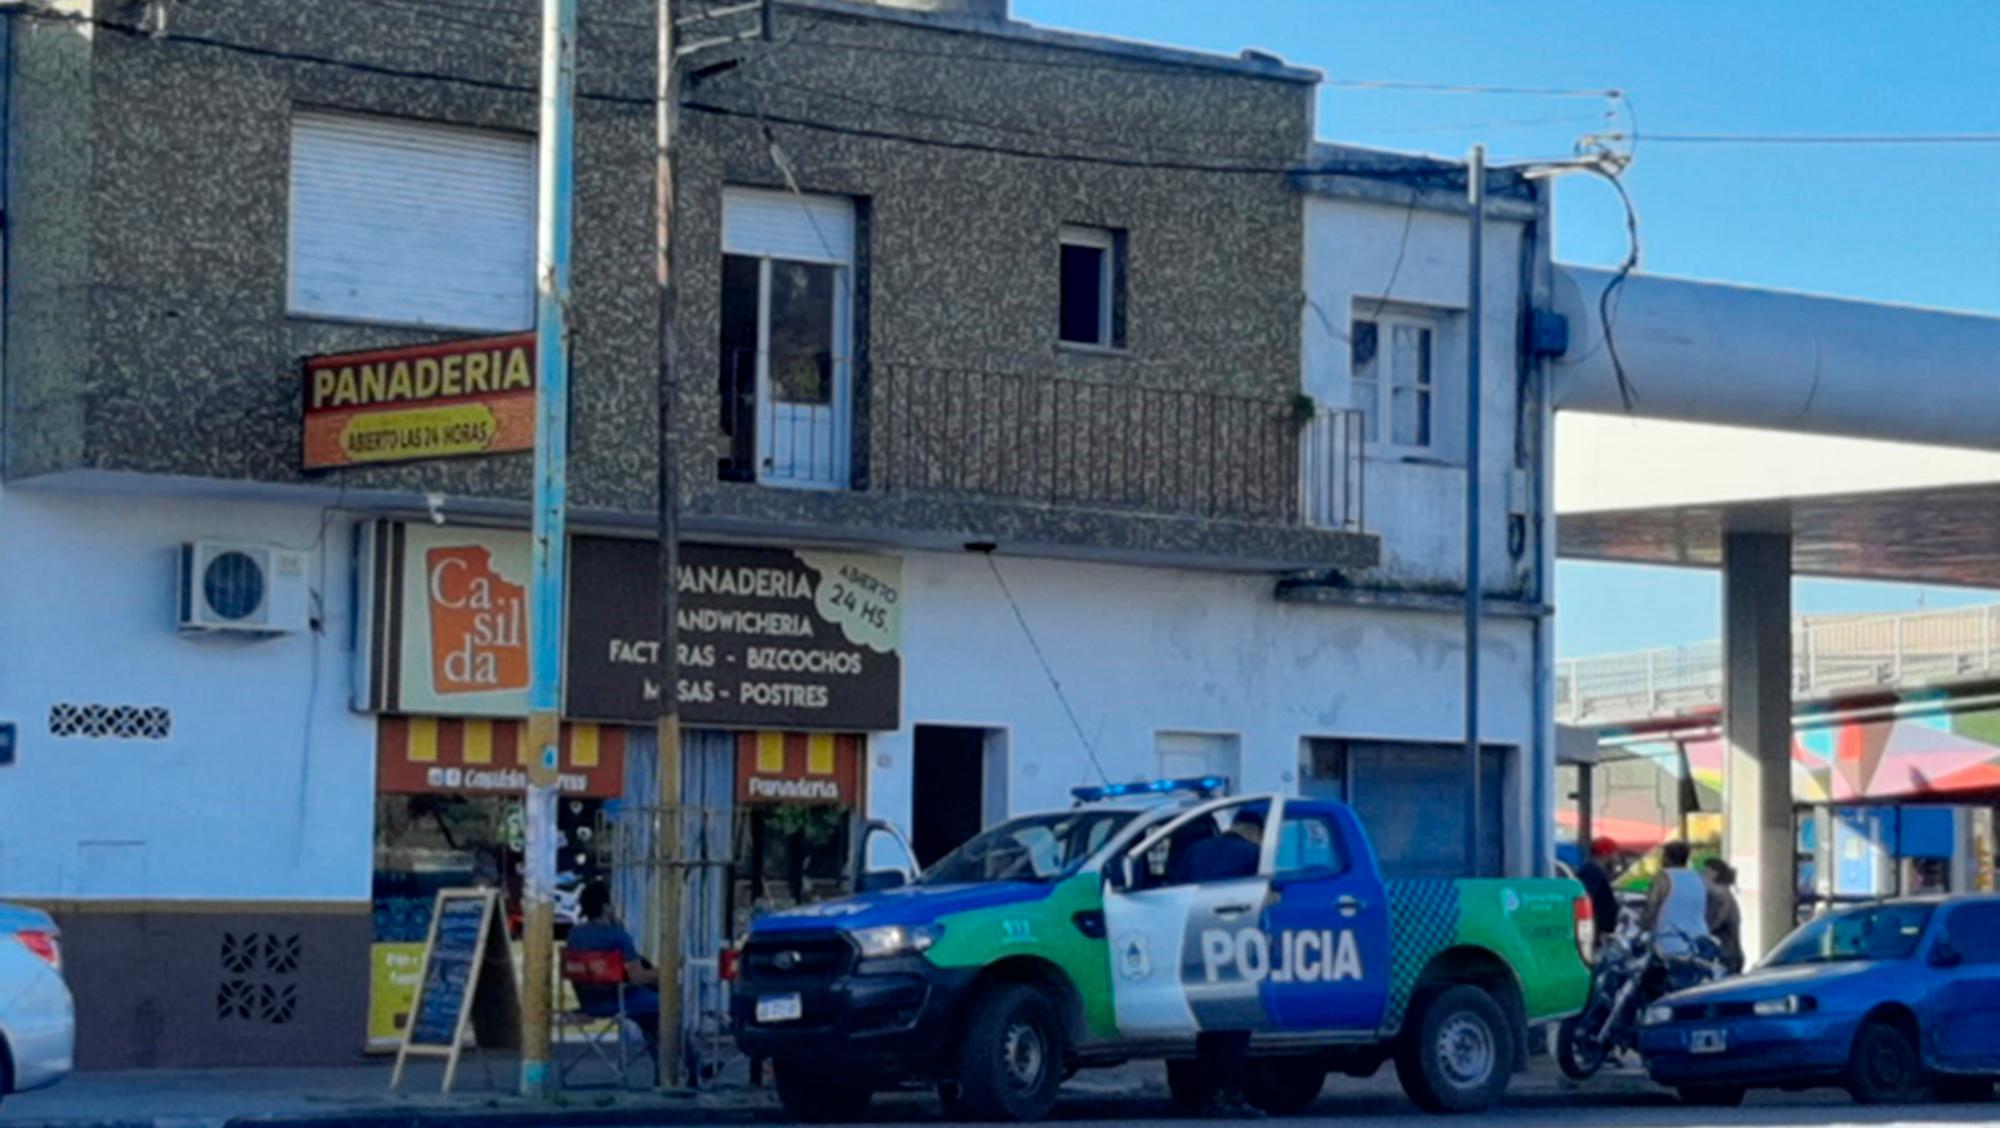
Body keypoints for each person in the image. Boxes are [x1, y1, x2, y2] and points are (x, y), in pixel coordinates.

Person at [1179, 809, 1267, 1119]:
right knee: (1235, 1030)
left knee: (1207, 1028)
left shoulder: (1196, 851)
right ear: (1255, 831)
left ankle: (1205, 1098)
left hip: (1197, 946)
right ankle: (1232, 1097)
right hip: (1235, 945)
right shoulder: (1253, 854)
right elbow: (1264, 898)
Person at [566, 882, 661, 1051]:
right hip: (617, 1000)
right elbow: (637, 977)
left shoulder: (575, 935)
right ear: (605, 907)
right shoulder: (618, 937)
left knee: (650, 1018)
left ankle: (671, 1059)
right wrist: (663, 972)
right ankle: (684, 1061)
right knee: (664, 1003)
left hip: (588, 1001)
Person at [1639, 841, 1712, 958]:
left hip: (1670, 941)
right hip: (1699, 940)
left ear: (1667, 858)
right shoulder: (1698, 877)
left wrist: (1642, 925)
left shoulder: (1663, 877)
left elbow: (1651, 905)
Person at [1703, 858, 1745, 974]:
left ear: (1715, 873)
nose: (1703, 873)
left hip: (1728, 954)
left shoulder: (1724, 896)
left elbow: (1718, 921)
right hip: (1729, 953)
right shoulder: (1724, 897)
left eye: (1706, 871)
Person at [1577, 837, 1624, 940]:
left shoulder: (1594, 870)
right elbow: (1588, 898)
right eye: (1614, 853)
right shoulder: (1593, 871)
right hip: (1596, 930)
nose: (1616, 857)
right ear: (1606, 854)